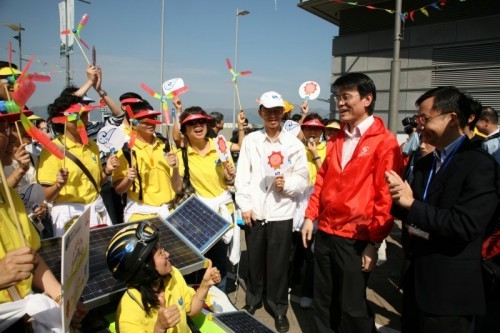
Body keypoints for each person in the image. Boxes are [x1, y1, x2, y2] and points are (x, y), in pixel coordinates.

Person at [385, 86, 498, 333]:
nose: (419, 125)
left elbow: (465, 225)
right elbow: (409, 208)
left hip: (449, 291)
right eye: (417, 119)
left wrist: (411, 204)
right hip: (416, 280)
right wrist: (396, 197)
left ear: (452, 119)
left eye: (424, 118)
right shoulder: (426, 162)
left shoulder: (479, 165)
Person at [302, 72, 402, 333]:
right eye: (338, 97)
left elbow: (385, 197)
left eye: (346, 97)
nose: (340, 103)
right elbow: (322, 181)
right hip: (325, 232)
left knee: (353, 305)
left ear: (367, 99)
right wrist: (310, 217)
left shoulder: (385, 142)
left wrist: (374, 243)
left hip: (356, 239)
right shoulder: (336, 138)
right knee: (323, 300)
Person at [0, 109, 88, 331]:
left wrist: (62, 300)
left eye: (10, 128)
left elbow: (31, 258)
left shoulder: (9, 196)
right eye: (3, 129)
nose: (13, 137)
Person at [235, 91, 308, 333]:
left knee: (278, 265)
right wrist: (244, 206)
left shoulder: (293, 144)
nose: (273, 115)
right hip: (255, 212)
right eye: (268, 110)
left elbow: (302, 179)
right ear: (261, 113)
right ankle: (253, 300)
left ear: (283, 113)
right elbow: (242, 176)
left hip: (281, 212)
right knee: (254, 261)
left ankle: (278, 308)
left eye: (278, 111)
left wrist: (286, 184)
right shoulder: (252, 142)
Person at [106, 221, 221, 333]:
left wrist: (205, 285)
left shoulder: (172, 275)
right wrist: (160, 328)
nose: (167, 254)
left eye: (163, 250)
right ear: (144, 268)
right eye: (160, 253)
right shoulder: (128, 313)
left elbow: (191, 309)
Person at [169, 106, 236, 293]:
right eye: (191, 123)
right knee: (196, 265)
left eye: (201, 122)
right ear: (184, 130)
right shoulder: (181, 153)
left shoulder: (219, 146)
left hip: (221, 215)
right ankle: (196, 304)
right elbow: (177, 188)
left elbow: (229, 180)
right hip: (197, 218)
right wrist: (174, 169)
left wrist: (230, 175)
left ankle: (220, 305)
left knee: (219, 266)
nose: (198, 126)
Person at [37, 93, 119, 236]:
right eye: (77, 116)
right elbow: (44, 196)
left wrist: (107, 171)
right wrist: (58, 185)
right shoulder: (51, 149)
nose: (82, 120)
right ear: (62, 119)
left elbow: (97, 183)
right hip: (70, 219)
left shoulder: (92, 146)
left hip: (96, 212)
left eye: (85, 115)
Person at [112, 99, 176, 222]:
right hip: (140, 214)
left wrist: (176, 167)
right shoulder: (125, 151)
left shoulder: (165, 146)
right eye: (145, 120)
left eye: (153, 118)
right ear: (134, 122)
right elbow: (118, 189)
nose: (150, 123)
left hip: (169, 211)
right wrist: (128, 179)